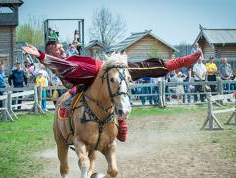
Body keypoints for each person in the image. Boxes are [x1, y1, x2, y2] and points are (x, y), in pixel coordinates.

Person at [22, 41, 202, 142]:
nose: (61, 49)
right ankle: (121, 123)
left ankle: (182, 61)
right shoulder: (59, 64)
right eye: (57, 49)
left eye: (61, 46)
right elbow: (62, 68)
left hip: (102, 70)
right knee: (137, 70)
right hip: (96, 76)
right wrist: (41, 55)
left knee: (139, 69)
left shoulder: (70, 57)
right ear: (51, 52)